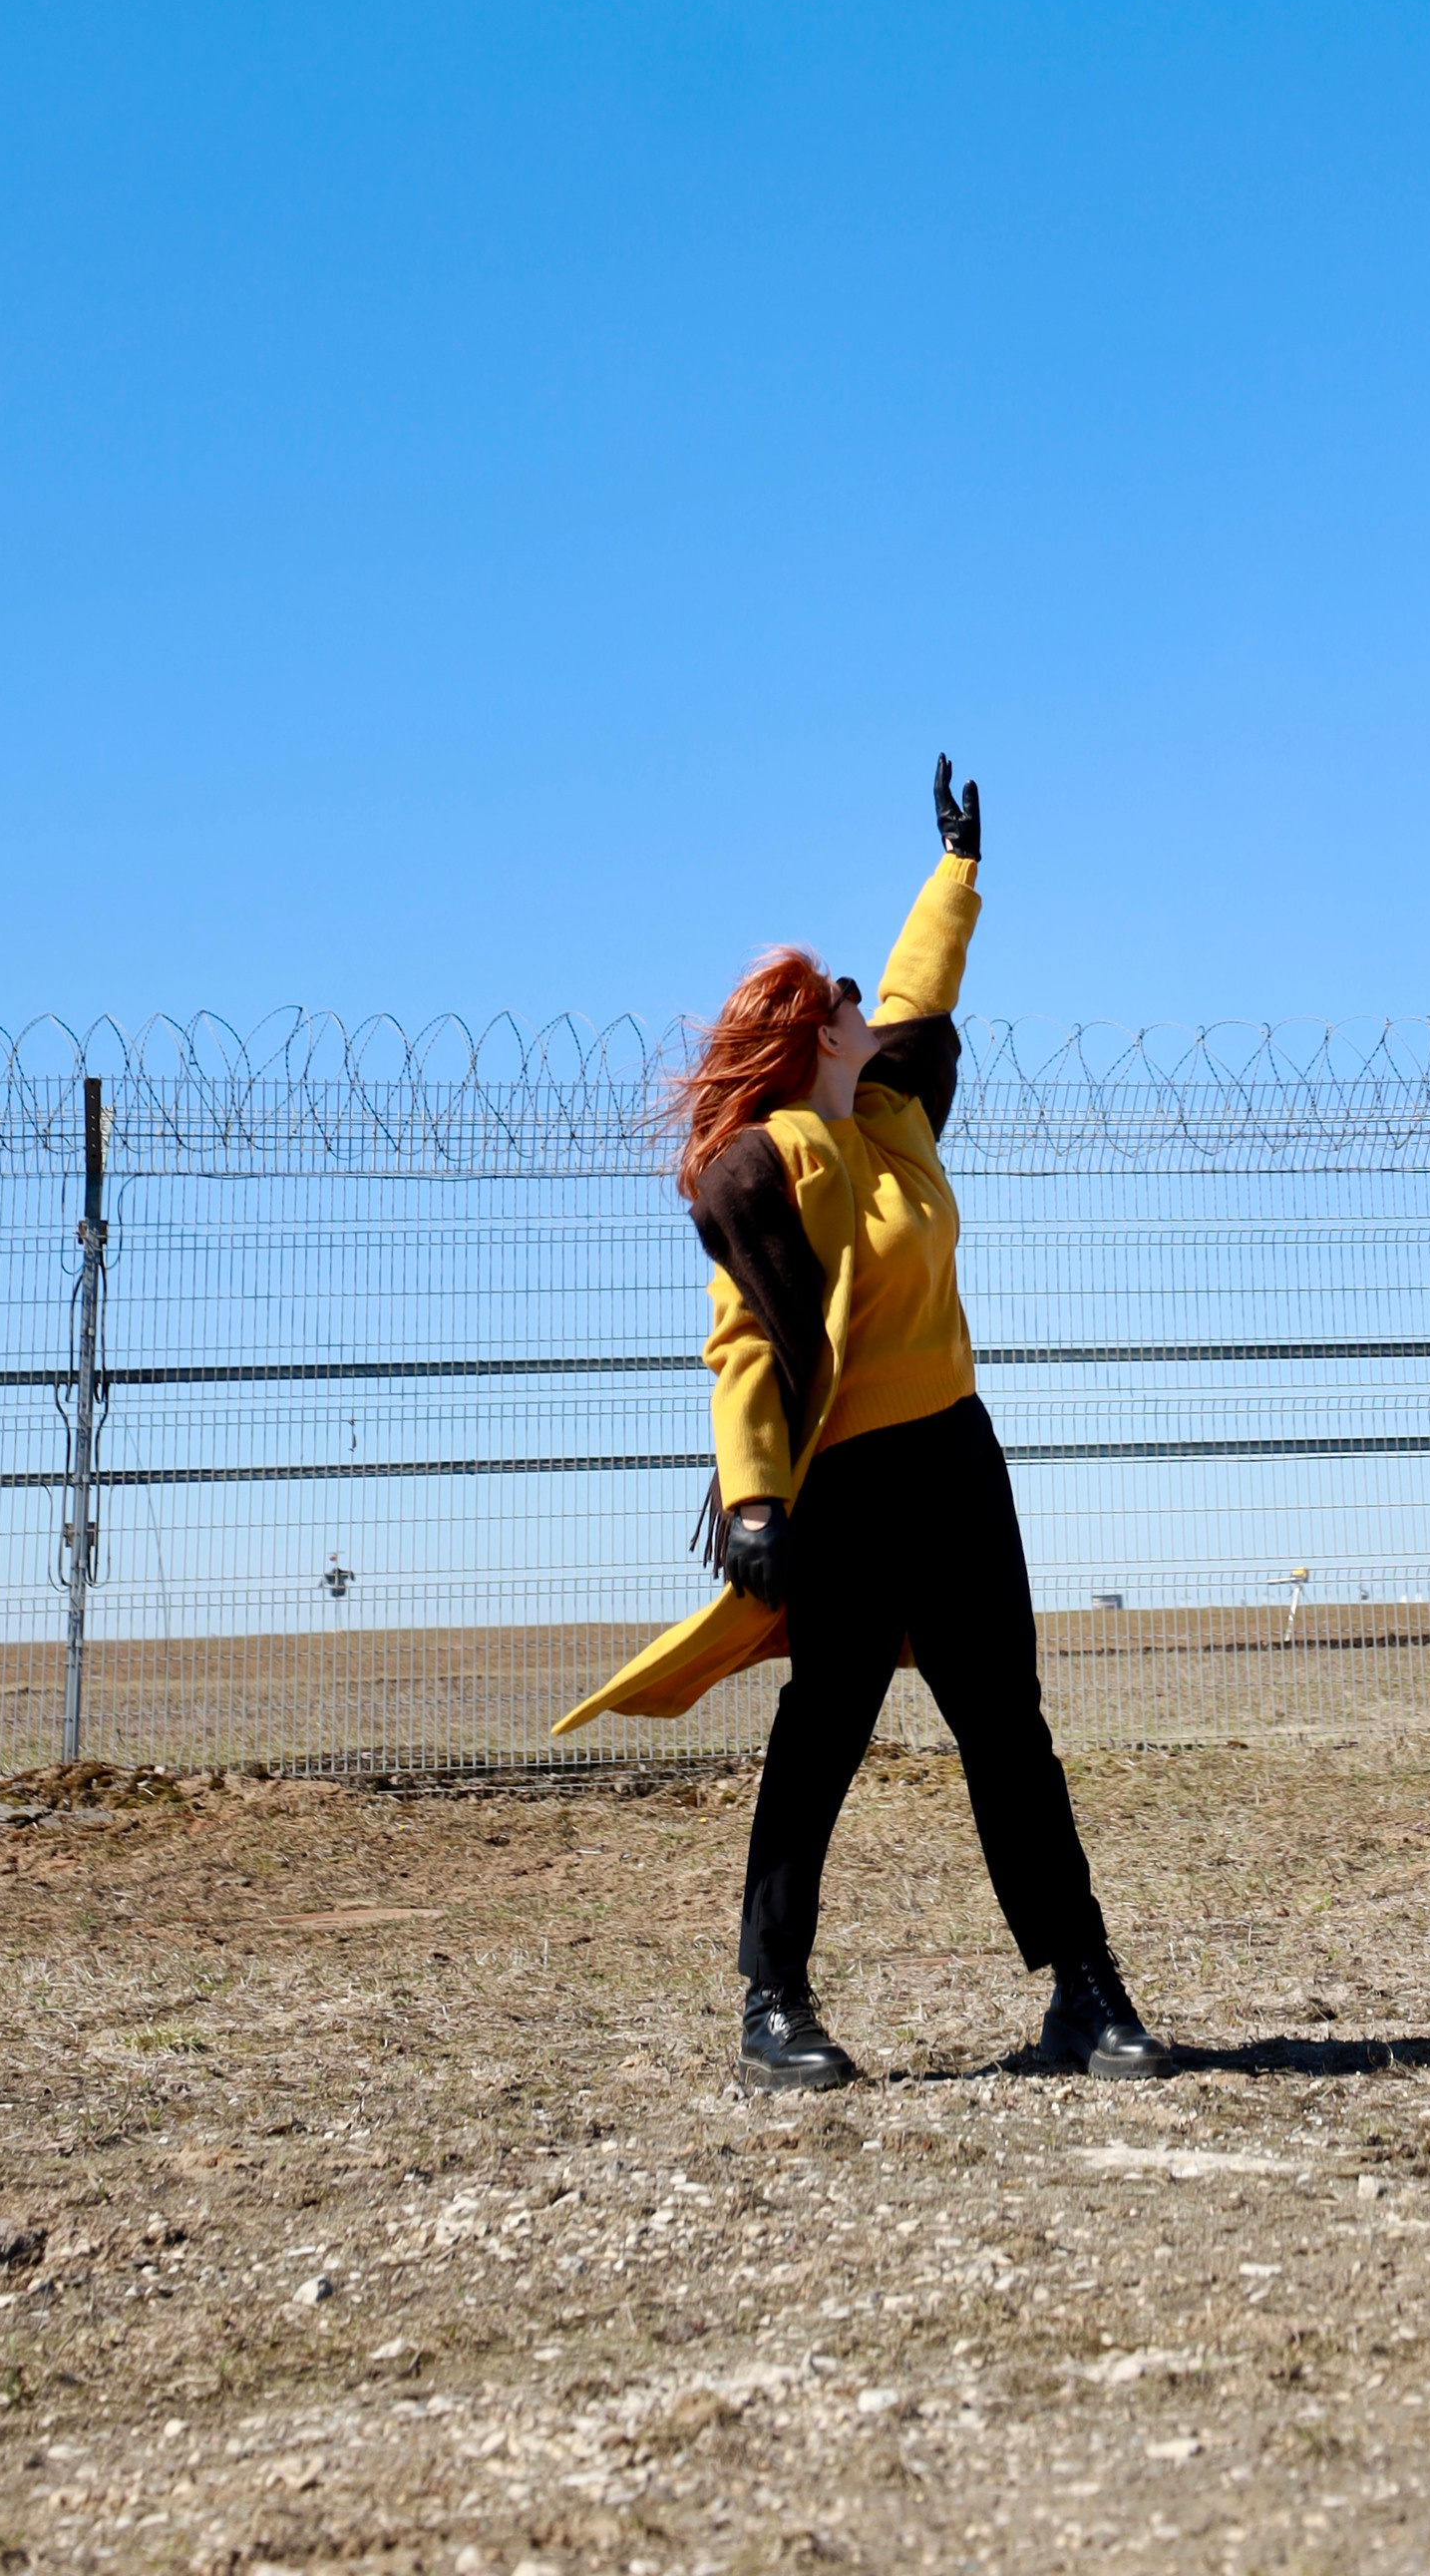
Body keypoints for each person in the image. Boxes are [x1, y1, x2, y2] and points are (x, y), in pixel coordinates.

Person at [554, 758, 1168, 2091]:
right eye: (831, 996)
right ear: (804, 1035)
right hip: (845, 1486)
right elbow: (742, 1343)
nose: (855, 1001)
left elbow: (918, 997)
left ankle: (1084, 1988)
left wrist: (952, 872)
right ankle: (771, 2006)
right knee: (823, 1733)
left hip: (956, 1459)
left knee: (1006, 1724)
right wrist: (758, 1501)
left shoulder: (891, 1120)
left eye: (848, 992)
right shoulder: (780, 1163)